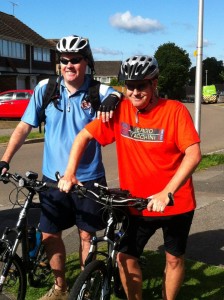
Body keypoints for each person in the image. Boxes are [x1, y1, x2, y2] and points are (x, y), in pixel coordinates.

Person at [58, 55, 202, 300]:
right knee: (125, 257)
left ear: (154, 83)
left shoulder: (174, 110)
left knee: (174, 259)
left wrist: (167, 192)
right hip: (135, 203)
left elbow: (194, 154)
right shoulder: (119, 109)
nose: (135, 92)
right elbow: (83, 136)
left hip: (175, 203)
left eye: (141, 85)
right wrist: (70, 172)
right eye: (129, 85)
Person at [0, 35, 122, 300]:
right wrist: (5, 159)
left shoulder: (96, 91)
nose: (69, 65)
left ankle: (85, 289)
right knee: (49, 234)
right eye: (64, 60)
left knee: (86, 236)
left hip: (88, 180)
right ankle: (60, 287)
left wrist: (115, 98)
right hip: (52, 180)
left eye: (75, 60)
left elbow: (117, 93)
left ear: (86, 62)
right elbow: (23, 127)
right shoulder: (46, 88)